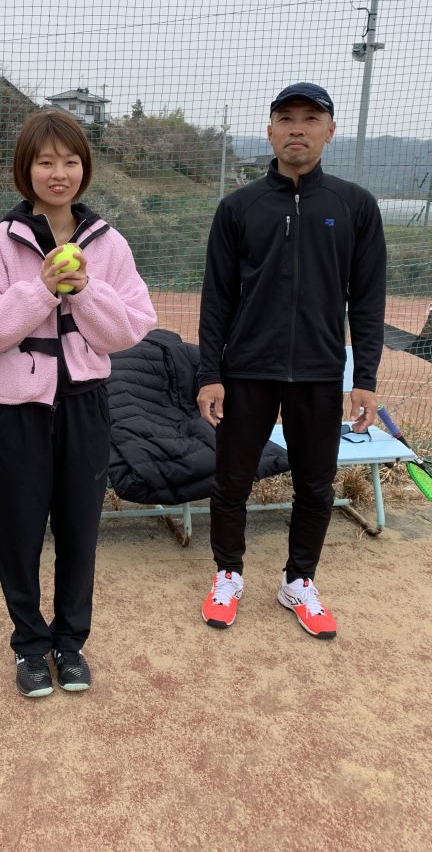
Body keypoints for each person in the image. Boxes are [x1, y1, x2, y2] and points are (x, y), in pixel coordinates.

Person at [0, 109, 156, 697]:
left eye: (69, 161)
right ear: (27, 169)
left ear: (84, 168)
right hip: (18, 411)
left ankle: (70, 643)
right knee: (19, 532)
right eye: (45, 161)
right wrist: (40, 290)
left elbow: (130, 327)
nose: (58, 172)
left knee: (78, 529)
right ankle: (29, 646)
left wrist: (85, 289)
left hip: (86, 406)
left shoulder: (108, 244)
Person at [197, 83, 386, 639]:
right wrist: (210, 374)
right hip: (246, 371)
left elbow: (368, 300)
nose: (297, 128)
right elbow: (217, 299)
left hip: (320, 373)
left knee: (316, 486)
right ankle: (228, 573)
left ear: (330, 131)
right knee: (231, 482)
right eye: (286, 118)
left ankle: (298, 580)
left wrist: (365, 379)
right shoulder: (239, 208)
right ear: (270, 131)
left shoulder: (354, 206)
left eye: (310, 118)